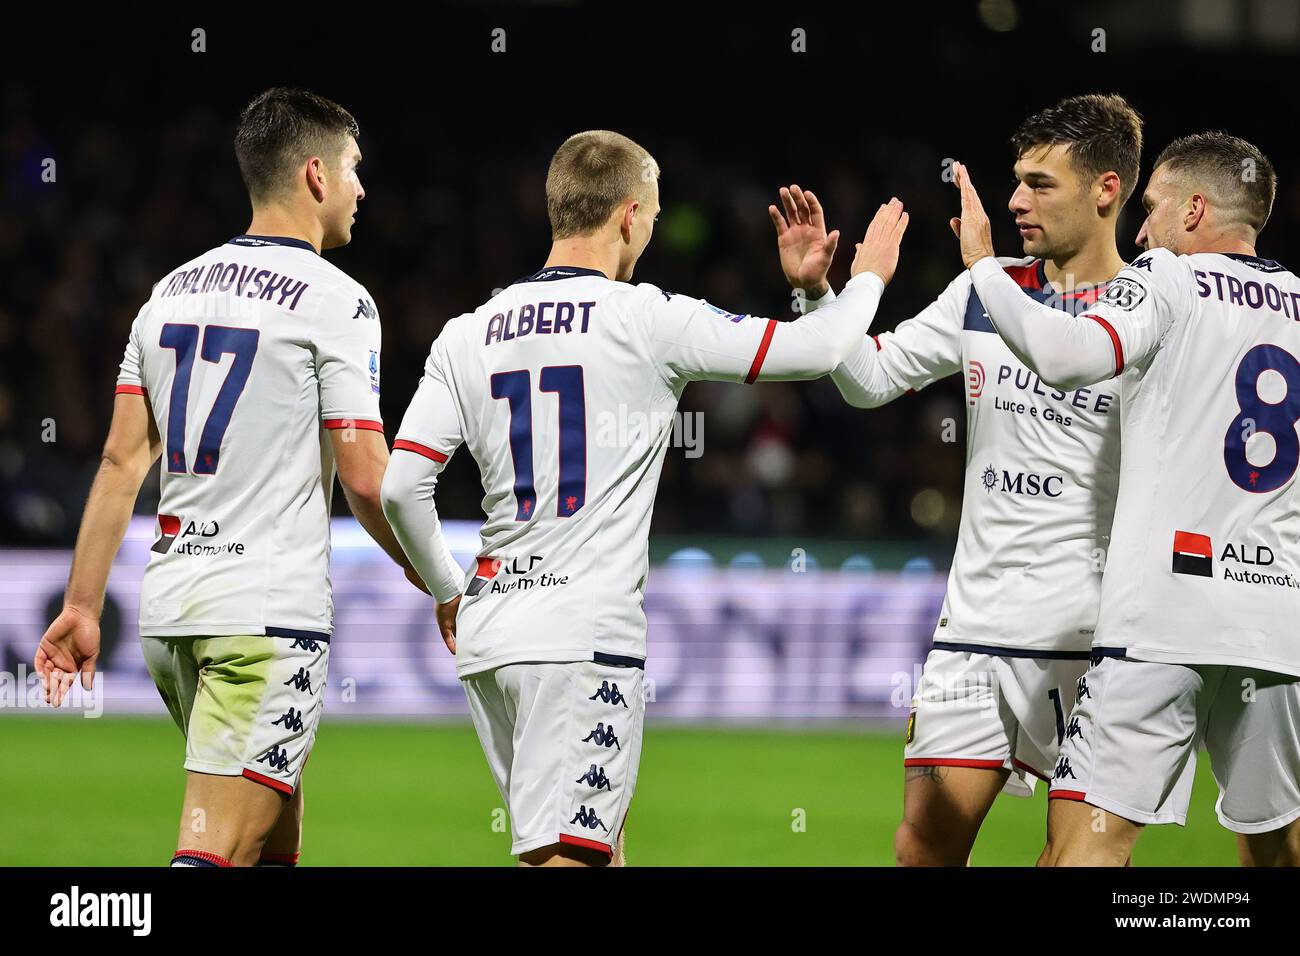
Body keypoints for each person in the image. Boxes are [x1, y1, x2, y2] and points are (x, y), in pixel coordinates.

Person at [380, 129, 908, 866]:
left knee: (590, 848)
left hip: (494, 635)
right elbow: (818, 352)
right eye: (654, 215)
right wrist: (867, 279)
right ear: (629, 216)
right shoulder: (648, 318)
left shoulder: (465, 334)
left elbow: (402, 486)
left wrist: (446, 589)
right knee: (571, 858)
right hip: (581, 635)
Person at [33, 87, 430, 868]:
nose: (361, 188)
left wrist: (83, 604)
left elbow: (121, 461)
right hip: (266, 618)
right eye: (354, 168)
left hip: (172, 615)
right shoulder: (339, 301)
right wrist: (441, 580)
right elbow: (362, 475)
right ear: (315, 175)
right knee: (216, 850)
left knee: (270, 840)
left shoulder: (168, 294)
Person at [769, 94, 1144, 865]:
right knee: (921, 851)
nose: (1014, 201)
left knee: (1079, 861)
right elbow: (867, 378)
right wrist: (819, 296)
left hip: (1095, 635)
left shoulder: (1152, 308)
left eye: (1041, 184)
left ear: (1107, 189)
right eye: (1016, 180)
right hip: (975, 629)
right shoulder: (983, 291)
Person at [951, 132, 1300, 866]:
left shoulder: (1168, 277)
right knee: (1278, 851)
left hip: (1161, 621)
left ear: (1196, 209)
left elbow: (1067, 355)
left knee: (1090, 850)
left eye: (1153, 208)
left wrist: (983, 269)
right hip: (1277, 624)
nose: (1141, 231)